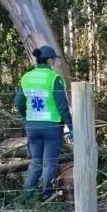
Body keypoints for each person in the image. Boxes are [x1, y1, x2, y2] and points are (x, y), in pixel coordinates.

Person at [14, 45, 74, 200]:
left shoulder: (27, 77)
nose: (54, 61)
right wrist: (71, 127)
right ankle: (46, 195)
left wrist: (25, 117)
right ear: (48, 60)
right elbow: (62, 106)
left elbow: (19, 102)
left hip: (32, 126)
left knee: (35, 163)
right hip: (52, 127)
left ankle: (27, 196)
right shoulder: (53, 79)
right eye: (53, 58)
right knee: (49, 164)